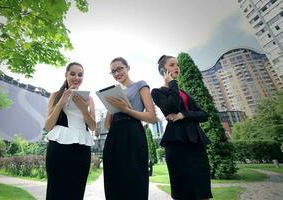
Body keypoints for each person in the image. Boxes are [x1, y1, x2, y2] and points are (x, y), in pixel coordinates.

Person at [151, 55, 213, 200]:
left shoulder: (184, 93)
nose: (176, 67)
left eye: (177, 65)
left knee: (202, 187)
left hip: (196, 141)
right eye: (172, 65)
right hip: (176, 142)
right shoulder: (157, 92)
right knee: (182, 189)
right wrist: (172, 83)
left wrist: (183, 115)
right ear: (163, 71)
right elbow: (171, 106)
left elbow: (203, 114)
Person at [103, 57, 156, 200]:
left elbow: (152, 117)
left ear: (128, 67)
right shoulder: (114, 91)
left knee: (134, 177)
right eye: (113, 71)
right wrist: (110, 106)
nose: (116, 73)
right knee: (113, 179)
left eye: (120, 68)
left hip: (133, 134)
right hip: (114, 137)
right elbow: (107, 125)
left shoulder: (140, 85)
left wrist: (125, 109)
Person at [43, 62, 96, 200]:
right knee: (56, 191)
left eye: (80, 75)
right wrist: (61, 103)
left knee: (77, 192)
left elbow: (93, 126)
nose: (76, 77)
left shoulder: (89, 98)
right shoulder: (55, 95)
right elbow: (48, 126)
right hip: (58, 149)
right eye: (72, 74)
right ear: (66, 75)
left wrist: (84, 109)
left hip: (82, 150)